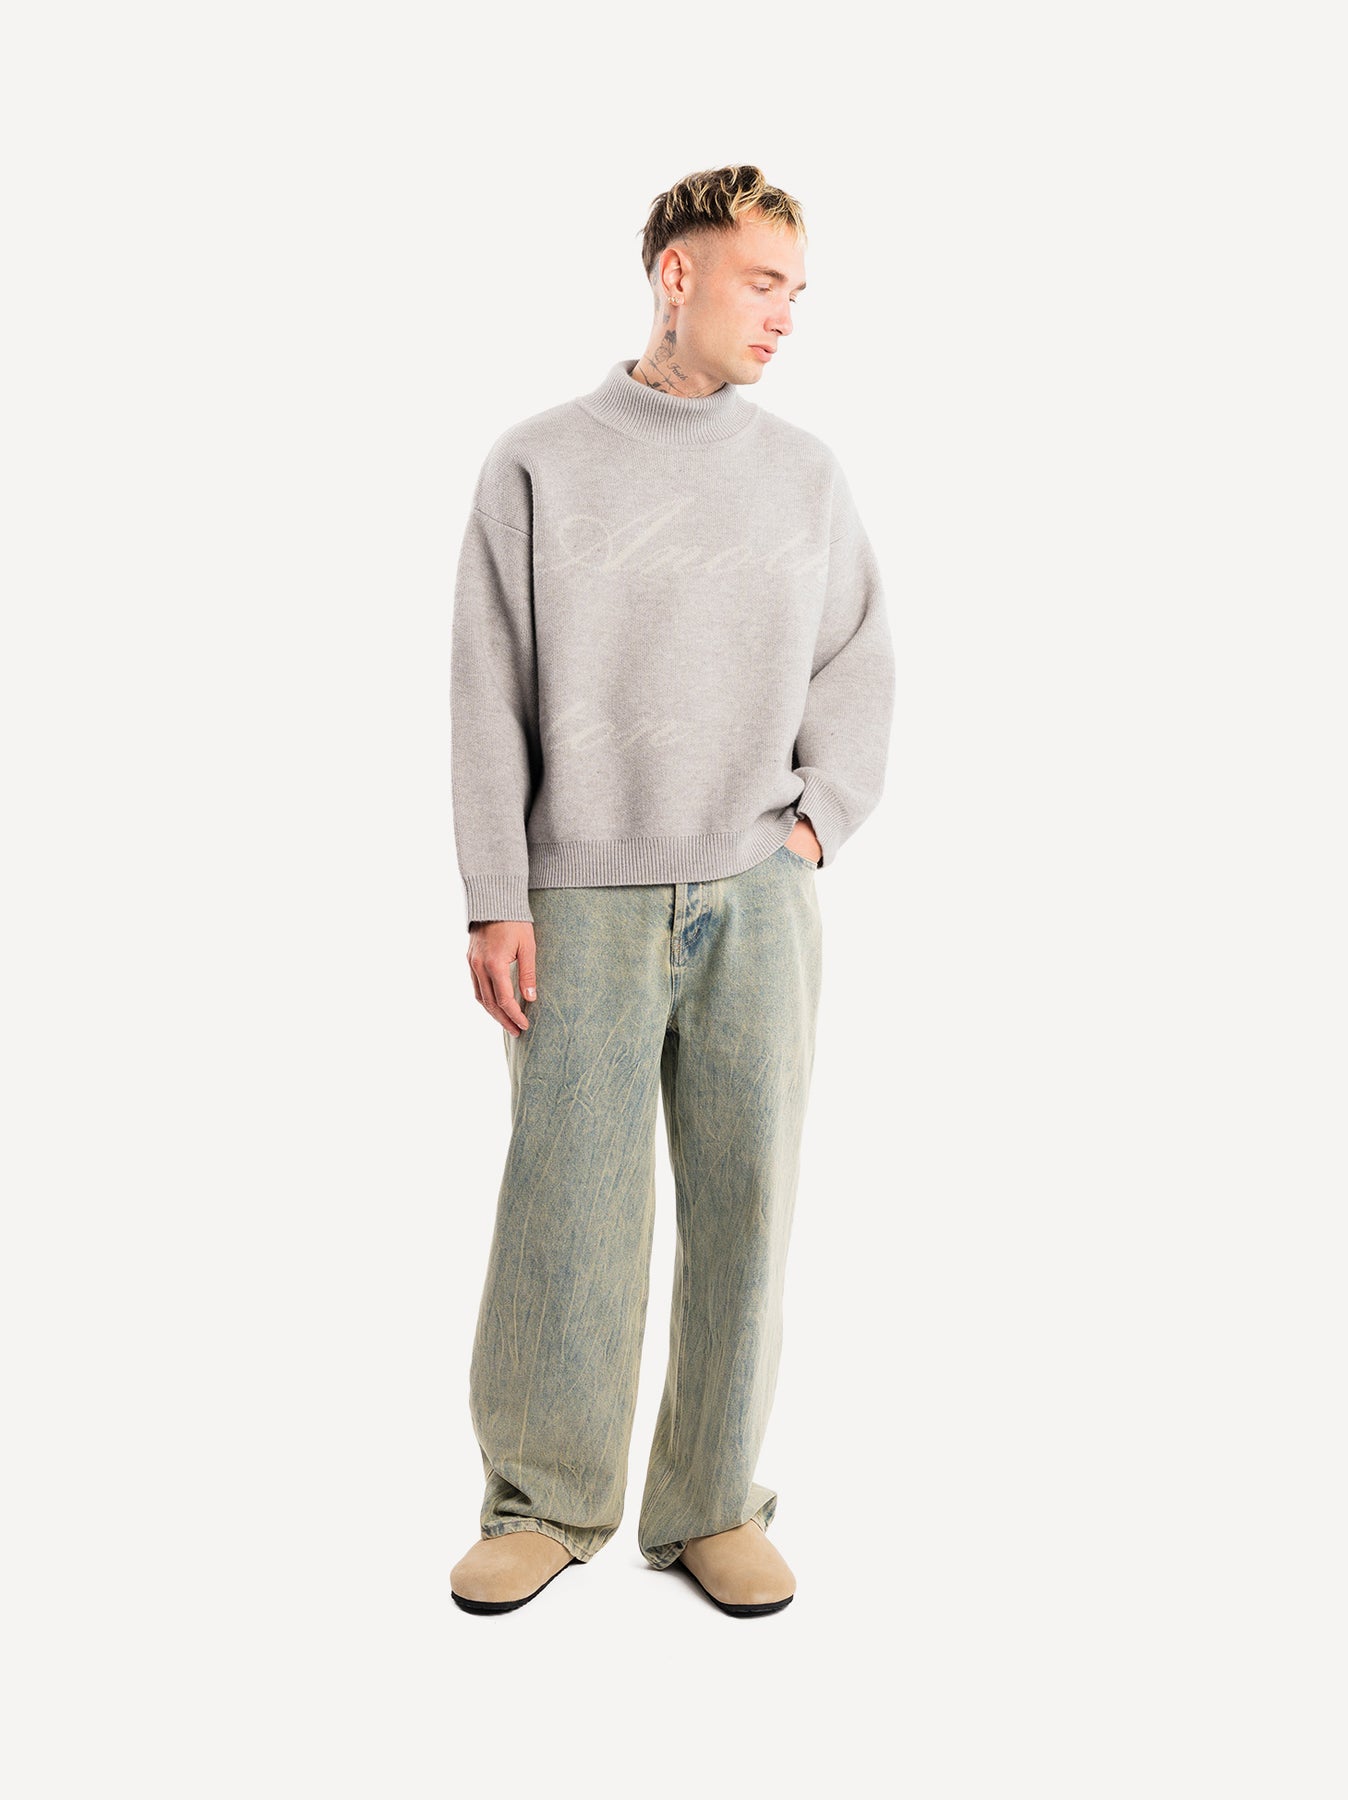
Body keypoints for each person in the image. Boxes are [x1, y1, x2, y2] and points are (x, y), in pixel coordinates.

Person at [448, 164, 895, 1616]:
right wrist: (495, 893)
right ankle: (543, 1500)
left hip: (757, 895)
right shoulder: (537, 463)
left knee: (747, 1204)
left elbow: (858, 659)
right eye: (762, 282)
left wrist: (813, 828)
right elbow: (486, 689)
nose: (786, 316)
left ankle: (709, 1503)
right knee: (567, 1207)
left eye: (798, 292)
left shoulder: (804, 473)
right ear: (677, 273)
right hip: (578, 894)